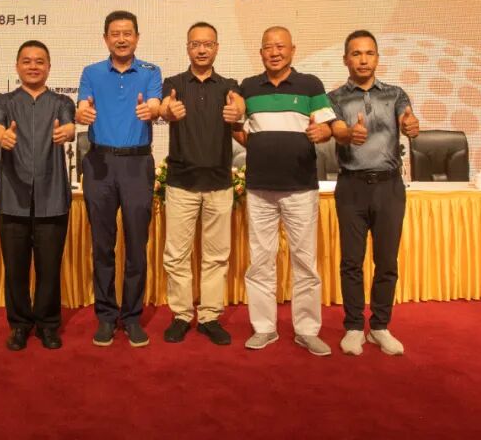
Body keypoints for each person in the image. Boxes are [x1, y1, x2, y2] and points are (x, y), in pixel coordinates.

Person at [234, 26, 334, 356]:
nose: (274, 52)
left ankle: (307, 330)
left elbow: (326, 127)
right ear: (260, 52)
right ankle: (264, 328)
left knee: (305, 262)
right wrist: (259, 144)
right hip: (259, 187)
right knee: (260, 261)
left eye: (280, 47)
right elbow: (237, 128)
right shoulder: (248, 87)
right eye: (268, 47)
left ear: (292, 49)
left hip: (300, 187)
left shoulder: (311, 85)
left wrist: (322, 132)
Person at [327, 30, 420, 357]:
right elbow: (335, 129)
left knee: (386, 261)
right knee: (351, 262)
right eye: (356, 54)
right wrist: (347, 134)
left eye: (369, 53)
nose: (363, 59)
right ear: (346, 60)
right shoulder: (334, 98)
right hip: (351, 186)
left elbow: (408, 119)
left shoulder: (395, 94)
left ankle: (380, 326)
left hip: (388, 187)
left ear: (377, 58)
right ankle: (354, 326)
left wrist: (411, 126)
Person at [76, 10, 162, 348]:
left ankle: (133, 317)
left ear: (137, 37)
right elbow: (82, 106)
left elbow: (154, 103)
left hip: (137, 165)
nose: (122, 39)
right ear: (106, 38)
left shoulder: (151, 71)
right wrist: (82, 113)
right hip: (99, 163)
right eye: (115, 33)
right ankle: (106, 316)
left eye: (128, 33)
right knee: (102, 245)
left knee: (137, 244)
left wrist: (152, 109)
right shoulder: (91, 72)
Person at [159, 22, 245, 346]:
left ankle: (209, 317)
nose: (202, 49)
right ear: (187, 48)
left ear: (217, 48)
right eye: (195, 44)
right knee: (176, 256)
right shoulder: (173, 84)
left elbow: (240, 106)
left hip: (219, 184)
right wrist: (168, 110)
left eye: (208, 44)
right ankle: (182, 315)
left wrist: (238, 111)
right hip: (181, 183)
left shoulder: (229, 86)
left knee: (216, 256)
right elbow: (163, 107)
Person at [0, 41, 76, 351]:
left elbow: (70, 125)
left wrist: (68, 132)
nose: (33, 66)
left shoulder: (62, 101)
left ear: (49, 67)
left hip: (52, 197)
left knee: (49, 268)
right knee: (15, 268)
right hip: (13, 196)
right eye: (27, 61)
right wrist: (1, 135)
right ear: (17, 66)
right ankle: (19, 325)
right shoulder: (3, 101)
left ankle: (48, 325)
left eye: (40, 61)